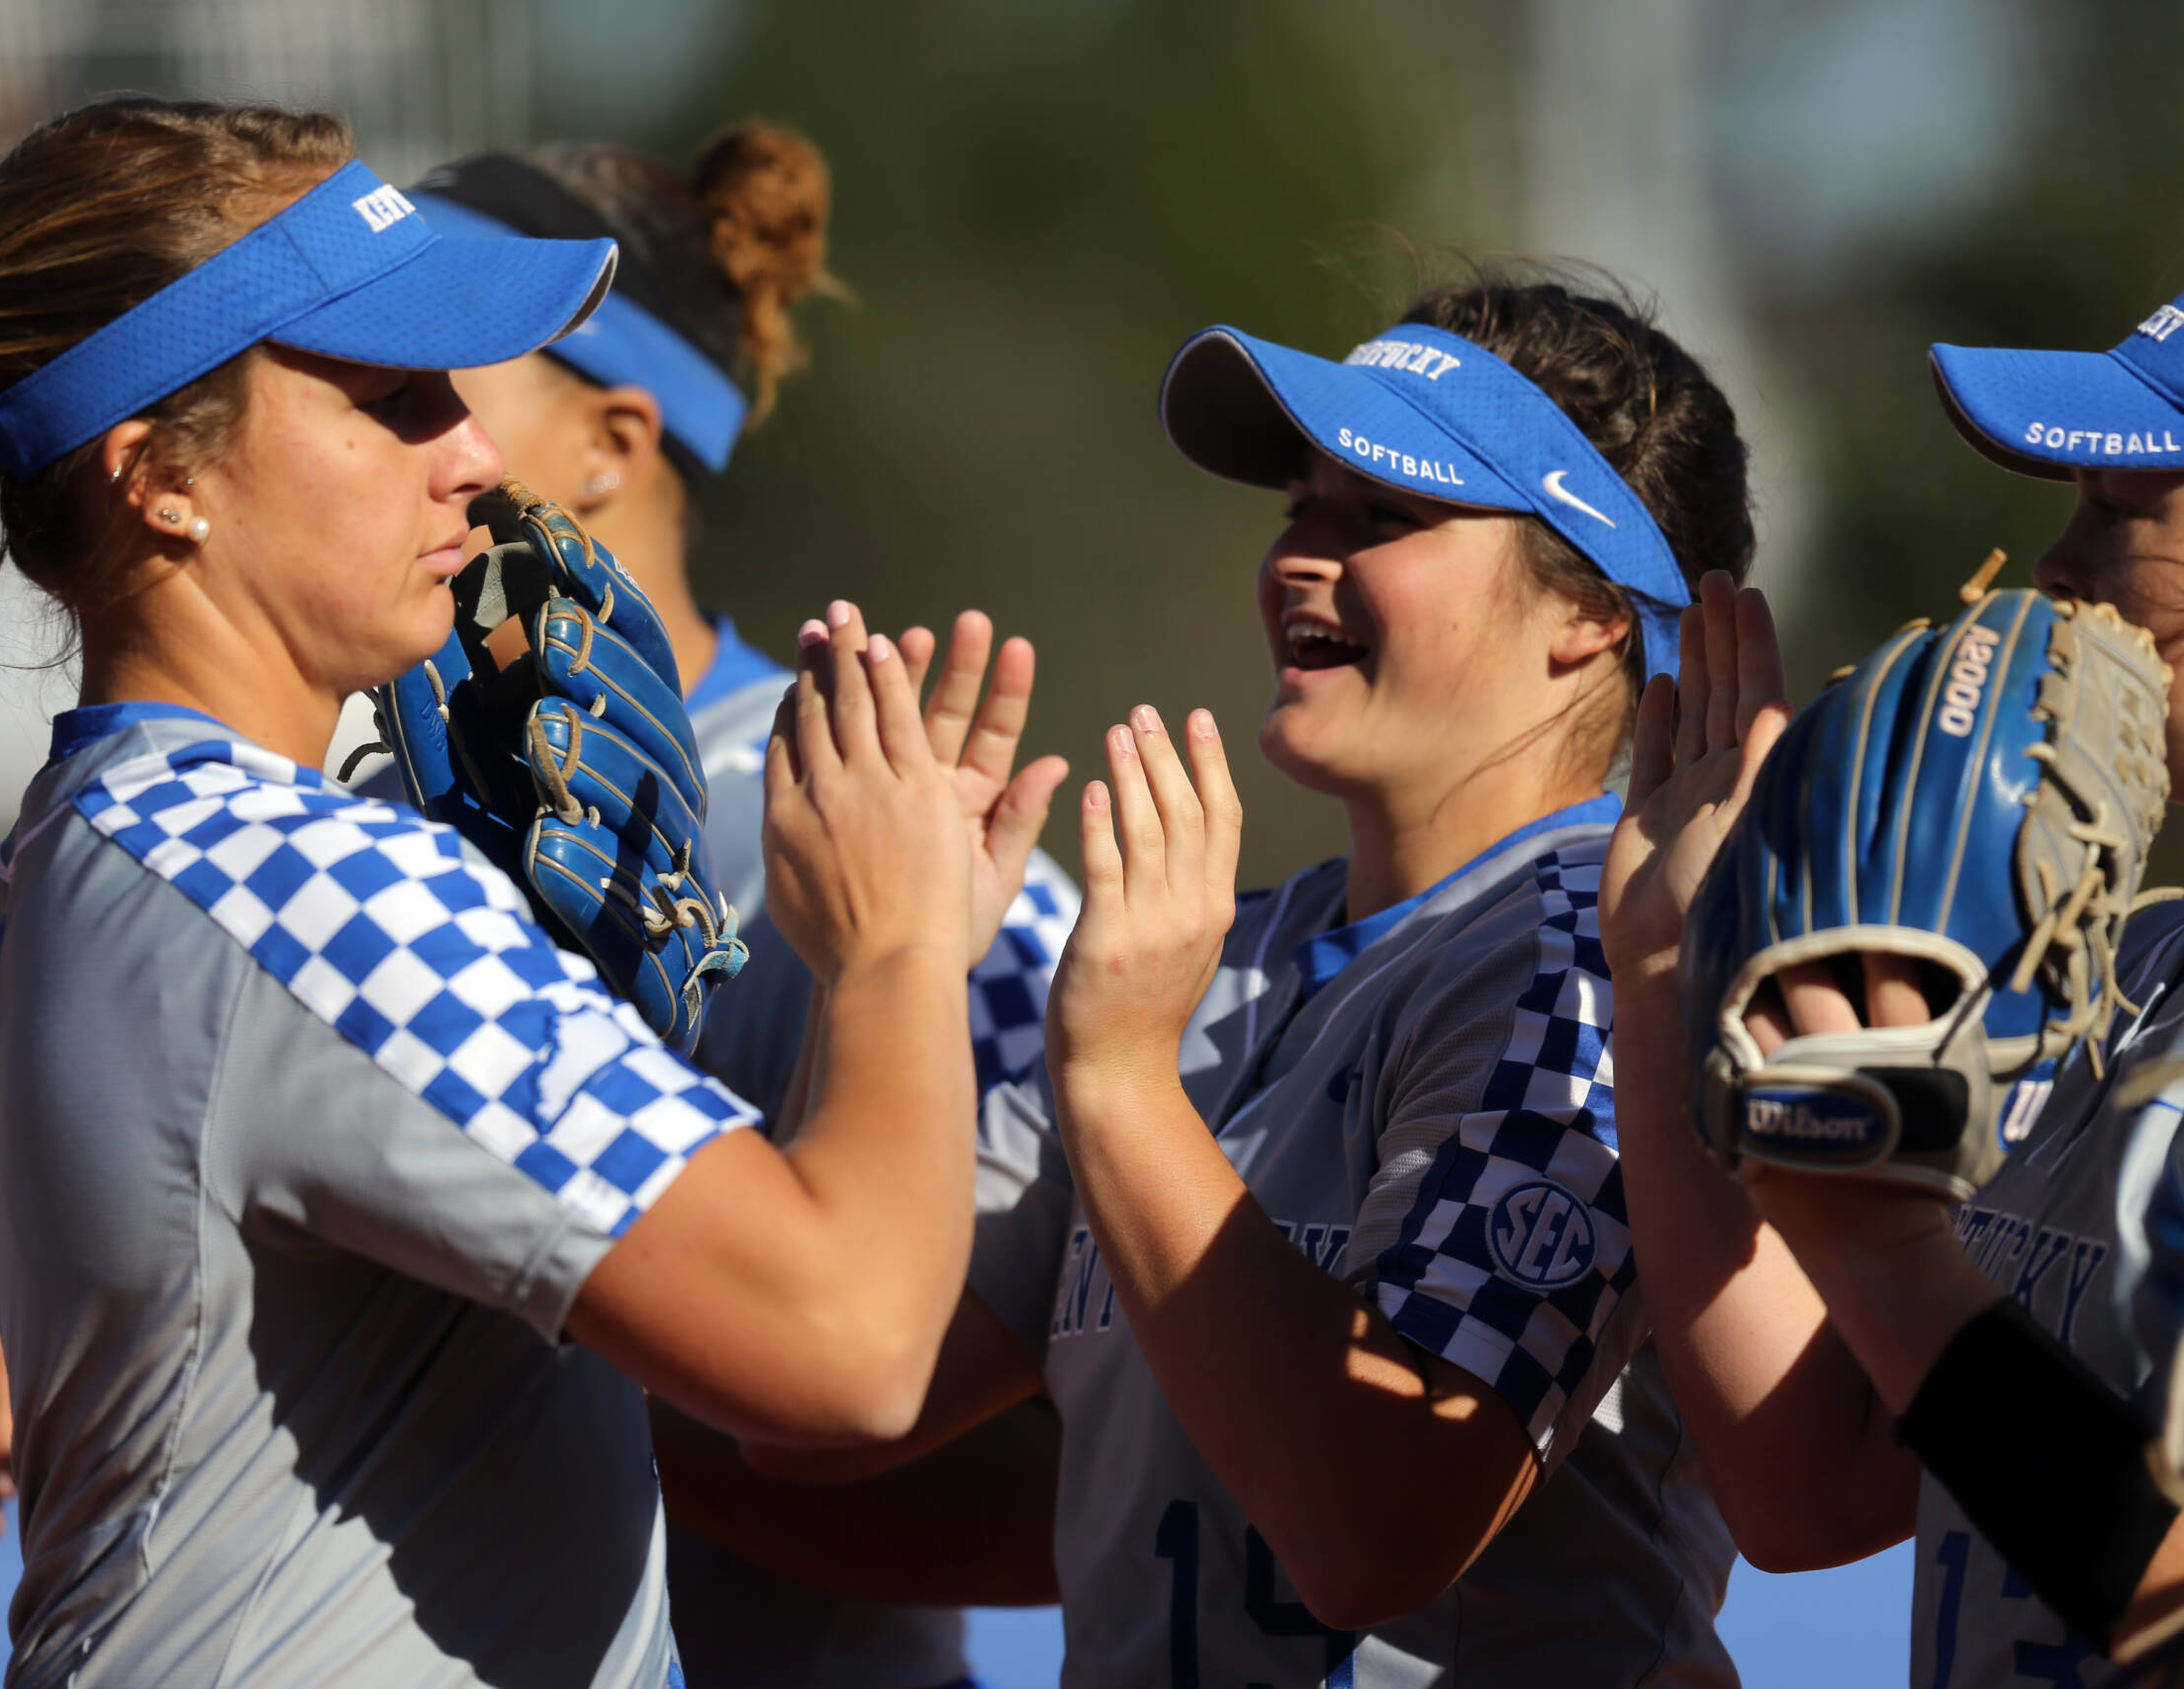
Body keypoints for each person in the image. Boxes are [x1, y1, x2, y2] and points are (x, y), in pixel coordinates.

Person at [0, 96, 1054, 1688]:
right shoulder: (296, 884)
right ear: (159, 480)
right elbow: (851, 1346)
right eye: (391, 400)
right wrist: (896, 947)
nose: (470, 453)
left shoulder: (127, 833)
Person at [685, 271, 1762, 1686]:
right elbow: (828, 1402)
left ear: (1592, 617)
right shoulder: (1219, 955)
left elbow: (1377, 1524)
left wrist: (1122, 1079)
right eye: (1298, 509)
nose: (1302, 559)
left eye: (1380, 518)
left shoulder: (1589, 953)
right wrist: (880, 962)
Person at [1597, 292, 2184, 1687]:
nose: (2058, 561)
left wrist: (1880, 1248)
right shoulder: (2129, 976)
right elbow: (1814, 1487)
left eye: (2126, 510)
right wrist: (1660, 972)